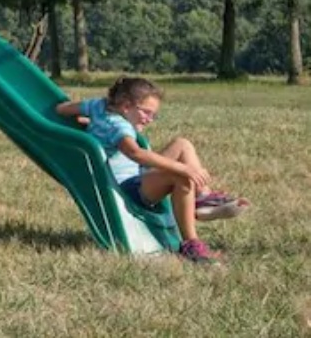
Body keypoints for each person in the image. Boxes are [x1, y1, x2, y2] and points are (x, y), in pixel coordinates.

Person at [55, 76, 251, 264]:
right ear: (125, 106)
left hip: (137, 177)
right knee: (181, 177)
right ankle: (191, 245)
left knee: (182, 144)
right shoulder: (118, 125)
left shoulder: (98, 106)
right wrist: (183, 168)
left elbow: (62, 109)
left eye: (153, 115)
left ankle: (201, 197)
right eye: (146, 112)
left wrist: (89, 123)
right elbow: (135, 153)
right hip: (126, 188)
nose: (150, 119)